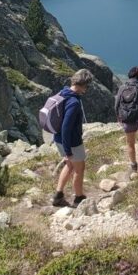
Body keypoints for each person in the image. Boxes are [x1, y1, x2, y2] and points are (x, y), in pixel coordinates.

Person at [52, 69, 94, 208]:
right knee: (79, 168)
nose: (87, 89)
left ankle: (58, 195)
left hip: (58, 138)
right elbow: (66, 127)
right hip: (72, 142)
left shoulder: (62, 93)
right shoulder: (74, 102)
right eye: (87, 86)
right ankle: (78, 198)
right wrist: (68, 150)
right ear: (83, 84)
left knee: (69, 165)